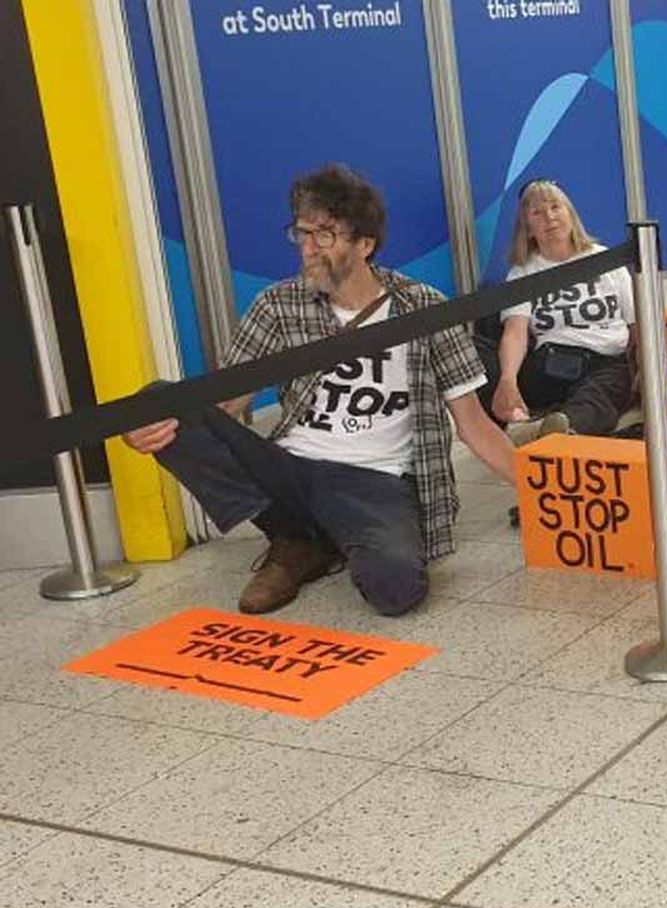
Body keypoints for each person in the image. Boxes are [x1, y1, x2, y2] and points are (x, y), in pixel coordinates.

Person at [122, 164, 516, 616]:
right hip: (290, 468)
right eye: (302, 233)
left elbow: (474, 424)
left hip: (375, 479)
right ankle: (293, 536)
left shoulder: (424, 307)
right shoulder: (278, 304)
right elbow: (224, 405)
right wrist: (156, 428)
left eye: (324, 235)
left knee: (396, 591)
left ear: (365, 244)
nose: (308, 249)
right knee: (158, 397)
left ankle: (311, 543)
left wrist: (544, 495)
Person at [477, 180, 637, 445]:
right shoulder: (522, 272)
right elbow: (515, 334)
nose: (549, 218)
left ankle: (559, 429)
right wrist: (508, 380)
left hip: (606, 360)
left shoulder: (606, 260)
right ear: (527, 228)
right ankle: (517, 422)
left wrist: (645, 369)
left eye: (555, 207)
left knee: (599, 396)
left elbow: (636, 327)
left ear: (570, 214)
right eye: (537, 213)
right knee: (474, 351)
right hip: (550, 363)